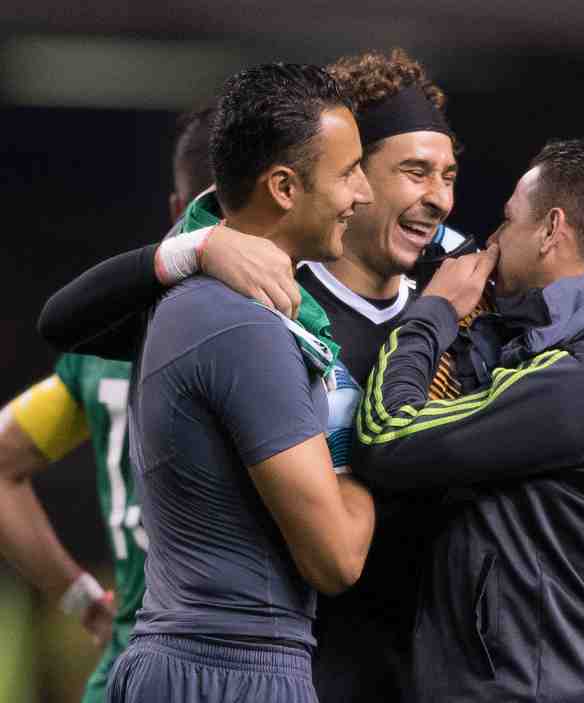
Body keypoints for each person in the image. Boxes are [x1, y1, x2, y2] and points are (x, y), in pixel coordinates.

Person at [37, 49, 468, 702]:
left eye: (448, 175)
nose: (436, 195)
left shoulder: (452, 317)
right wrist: (198, 244)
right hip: (269, 659)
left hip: (404, 668)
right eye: (409, 171)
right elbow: (65, 322)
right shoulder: (259, 298)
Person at [106, 63, 375, 703]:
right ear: (284, 187)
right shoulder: (243, 329)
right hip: (232, 671)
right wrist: (382, 450)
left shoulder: (194, 298)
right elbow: (336, 559)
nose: (362, 193)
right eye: (348, 172)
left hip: (189, 659)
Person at [353, 138, 584, 702]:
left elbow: (384, 438)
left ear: (551, 230)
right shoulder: (571, 361)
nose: (493, 240)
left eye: (508, 218)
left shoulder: (578, 382)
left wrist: (433, 313)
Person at [0, 107, 215, 703]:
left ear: (179, 209)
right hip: (239, 669)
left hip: (127, 673)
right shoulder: (291, 332)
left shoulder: (105, 343)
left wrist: (84, 602)